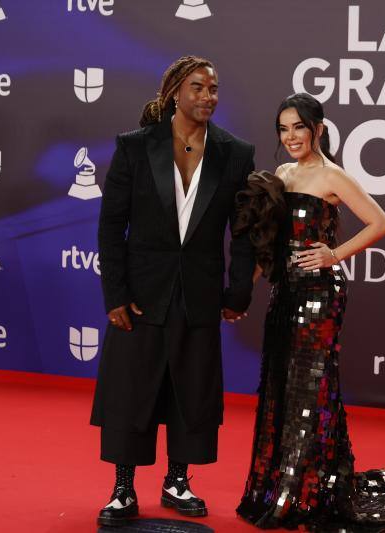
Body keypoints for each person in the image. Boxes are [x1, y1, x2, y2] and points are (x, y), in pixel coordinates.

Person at [234, 93, 385, 531]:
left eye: (299, 127)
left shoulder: (333, 176)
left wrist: (333, 255)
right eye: (284, 129)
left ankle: (304, 494)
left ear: (319, 129)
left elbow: (381, 222)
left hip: (320, 297)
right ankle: (280, 488)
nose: (291, 136)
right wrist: (241, 295)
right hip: (285, 293)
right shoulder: (282, 173)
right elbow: (267, 243)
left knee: (311, 393)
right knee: (281, 387)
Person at [90, 55, 256, 527]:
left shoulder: (235, 152)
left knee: (191, 387)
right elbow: (111, 226)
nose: (209, 97)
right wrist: (115, 294)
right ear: (175, 92)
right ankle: (123, 489)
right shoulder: (136, 147)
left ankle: (177, 480)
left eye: (214, 89)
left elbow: (242, 233)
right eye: (199, 88)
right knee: (132, 389)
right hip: (142, 291)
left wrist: (237, 291)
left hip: (199, 292)